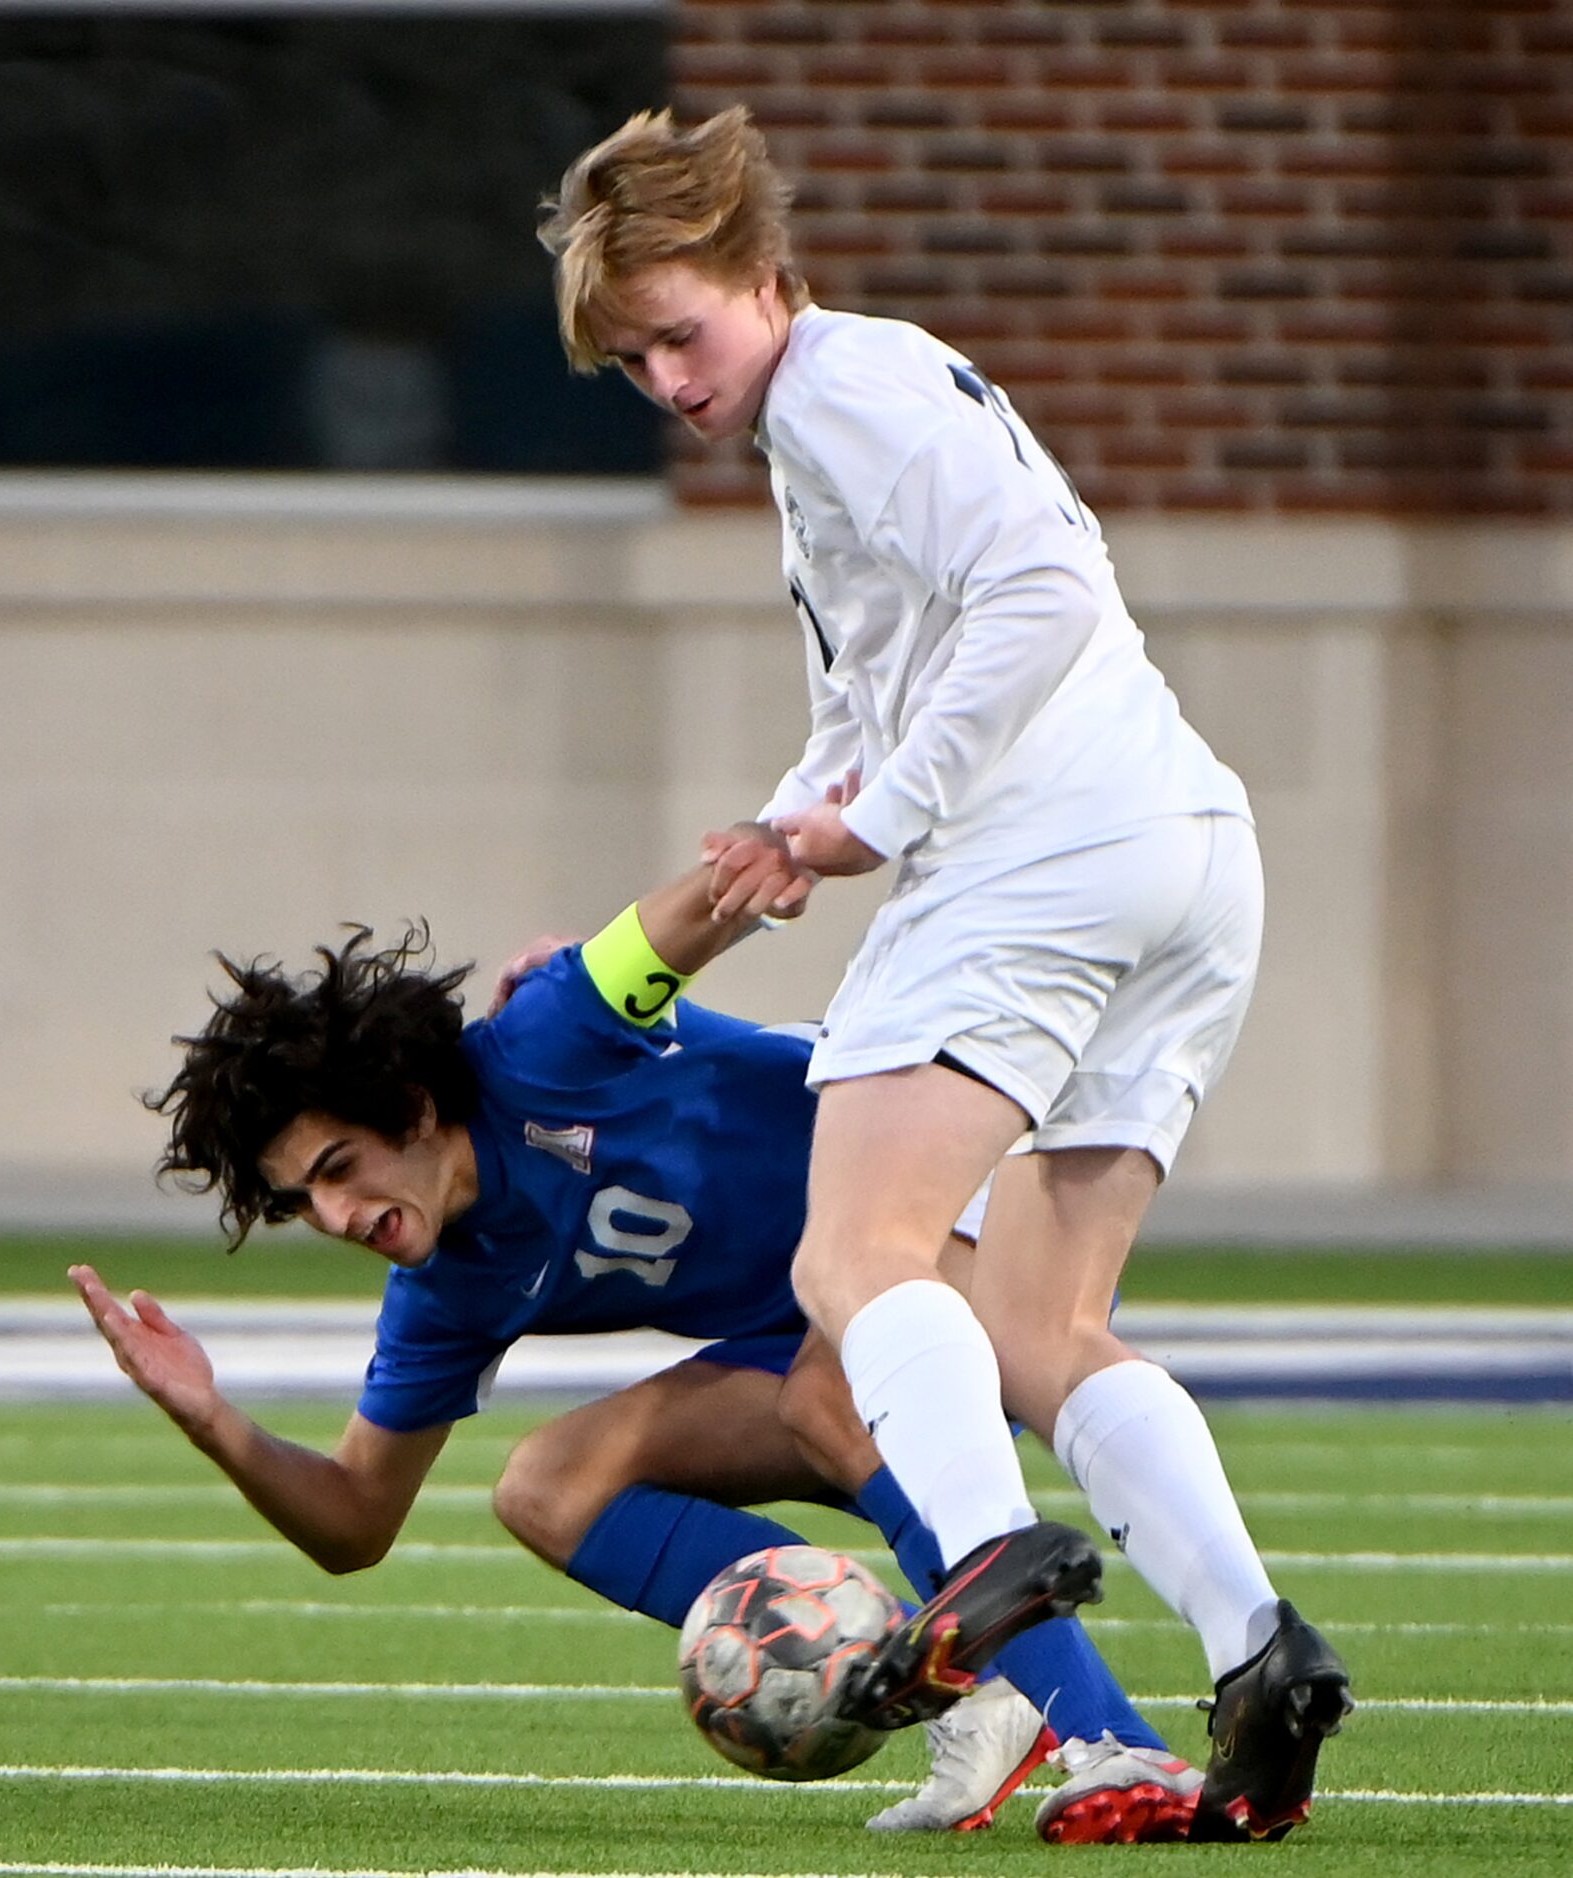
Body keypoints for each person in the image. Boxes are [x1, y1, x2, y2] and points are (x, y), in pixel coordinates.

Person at [538, 105, 1352, 1842]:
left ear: (766, 277)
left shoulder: (845, 385)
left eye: (680, 333)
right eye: (631, 363)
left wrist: (891, 813)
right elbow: (881, 691)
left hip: (1042, 849)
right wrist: (786, 825)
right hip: (1182, 853)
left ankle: (983, 1560)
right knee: (1045, 1326)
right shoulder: (837, 421)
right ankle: (1257, 1643)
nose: (670, 383)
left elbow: (1044, 588)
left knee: (856, 1253)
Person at [73, 865, 1204, 1846]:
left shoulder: (545, 1038)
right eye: (297, 1201)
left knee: (828, 1393)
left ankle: (1116, 1744)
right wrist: (210, 1419)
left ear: (409, 1104)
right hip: (815, 1318)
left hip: (940, 1215)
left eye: (335, 1166)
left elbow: (690, 912)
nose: (328, 1213)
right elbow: (354, 1523)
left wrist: (778, 853)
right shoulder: (444, 1288)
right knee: (544, 1486)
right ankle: (968, 1687)